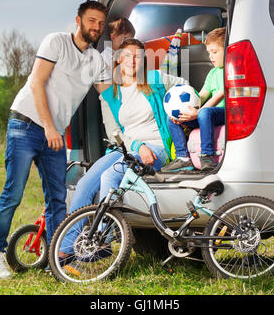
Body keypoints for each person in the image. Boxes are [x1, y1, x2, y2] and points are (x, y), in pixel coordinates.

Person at [0, 0, 111, 279]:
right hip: (26, 124)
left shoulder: (96, 60)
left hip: (53, 134)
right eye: (92, 21)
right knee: (13, 192)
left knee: (57, 198)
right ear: (78, 21)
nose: (97, 27)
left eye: (101, 23)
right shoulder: (56, 42)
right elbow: (37, 82)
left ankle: (58, 258)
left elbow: (112, 98)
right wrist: (50, 127)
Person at [59, 38, 189, 262]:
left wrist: (181, 111)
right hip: (128, 149)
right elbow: (117, 134)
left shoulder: (155, 80)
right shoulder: (114, 92)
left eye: (138, 56)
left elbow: (183, 83)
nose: (132, 60)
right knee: (85, 183)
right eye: (127, 55)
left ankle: (103, 240)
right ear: (119, 59)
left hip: (156, 148)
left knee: (111, 175)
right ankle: (68, 247)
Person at [161, 27, 226, 173]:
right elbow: (202, 95)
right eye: (209, 52)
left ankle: (206, 155)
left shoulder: (230, 69)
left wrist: (198, 113)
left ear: (227, 49)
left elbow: (220, 95)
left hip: (224, 113)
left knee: (205, 113)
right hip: (206, 114)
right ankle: (183, 157)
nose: (210, 57)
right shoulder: (213, 73)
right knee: (172, 117)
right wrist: (187, 109)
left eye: (214, 52)